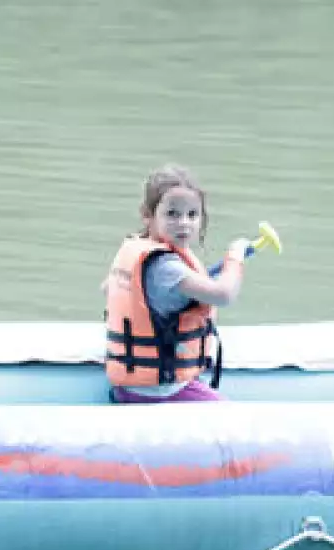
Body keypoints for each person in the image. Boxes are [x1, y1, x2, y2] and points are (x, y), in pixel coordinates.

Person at [103, 164, 250, 403]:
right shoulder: (166, 268)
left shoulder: (136, 250)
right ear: (147, 215)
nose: (184, 223)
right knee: (238, 428)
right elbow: (224, 295)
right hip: (160, 391)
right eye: (172, 214)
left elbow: (108, 287)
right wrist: (235, 257)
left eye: (192, 214)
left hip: (128, 385)